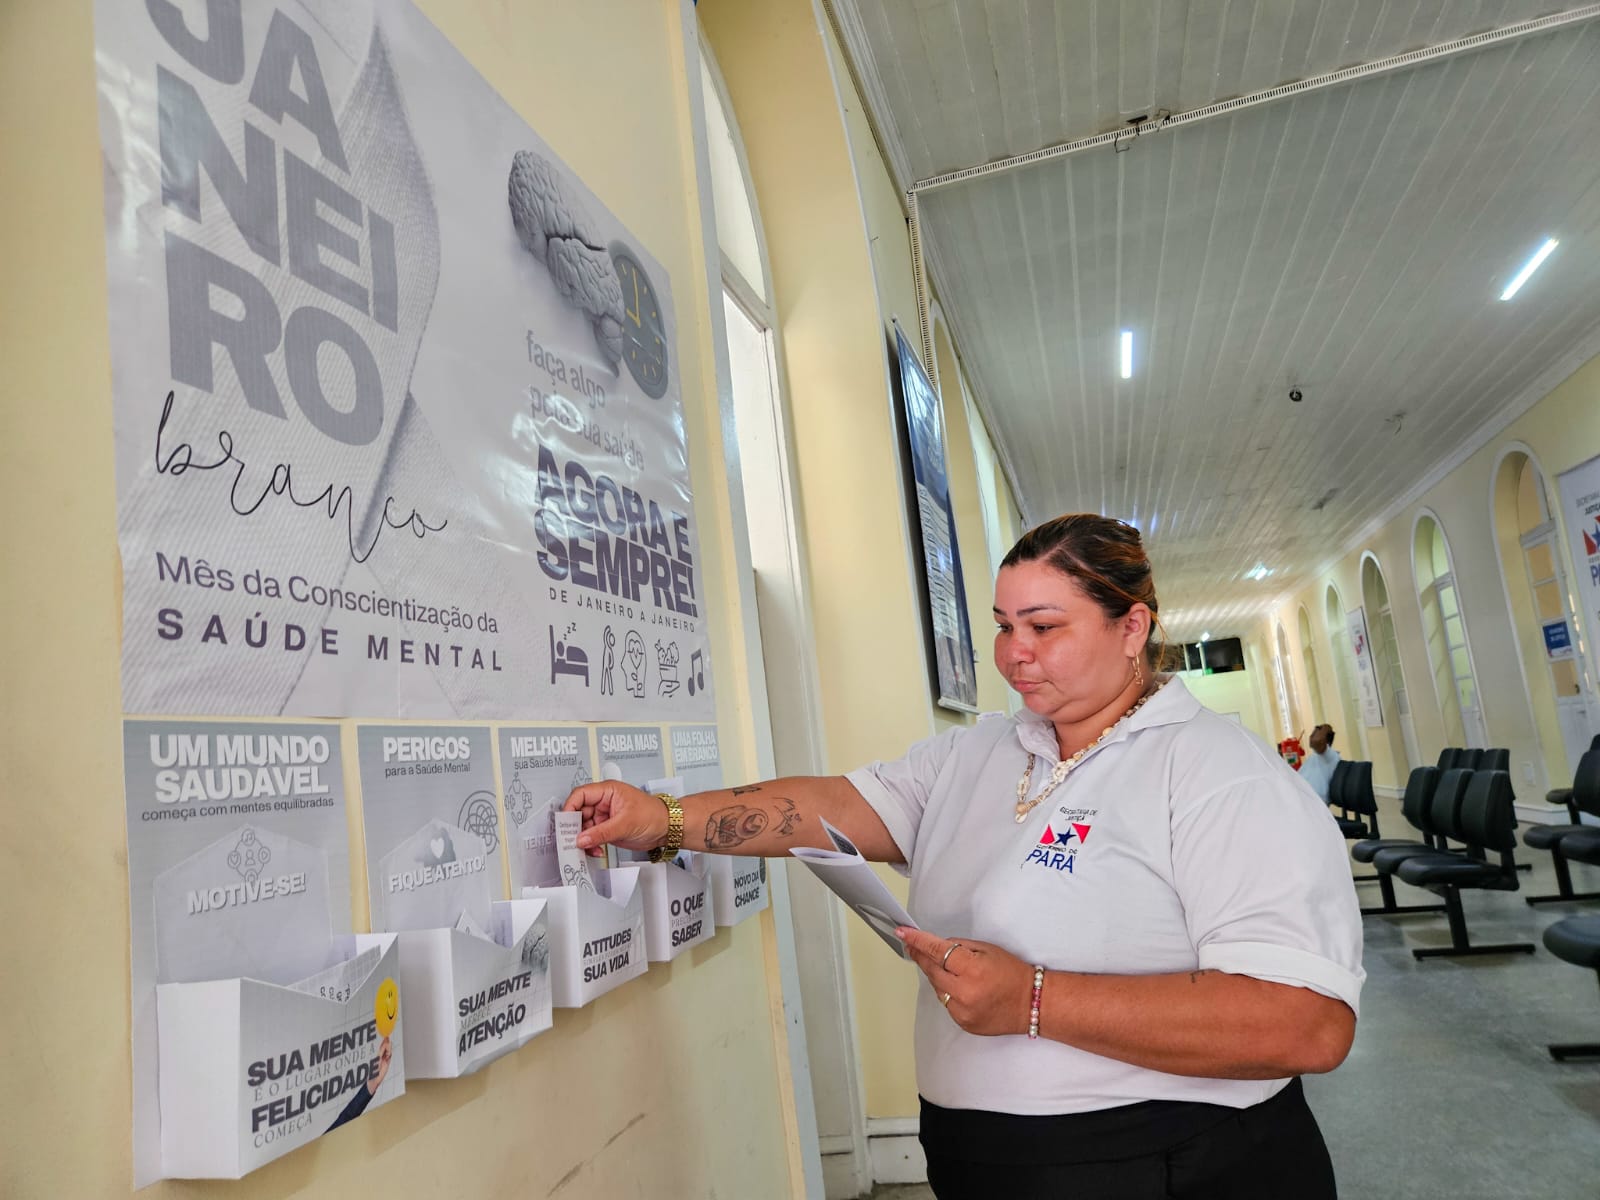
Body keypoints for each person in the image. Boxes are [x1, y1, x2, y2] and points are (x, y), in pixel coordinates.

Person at [564, 514, 1363, 1199]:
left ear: (1132, 628)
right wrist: (662, 818)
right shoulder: (983, 751)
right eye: (1003, 625)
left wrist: (1036, 1001)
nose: (1014, 652)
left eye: (1045, 627)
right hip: (986, 1159)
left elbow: (1306, 1024)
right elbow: (835, 808)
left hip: (1166, 1165)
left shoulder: (1216, 772)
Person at [1299, 724, 1342, 803]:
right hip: (1300, 797)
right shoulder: (1313, 757)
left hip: (1313, 802)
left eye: (1317, 731)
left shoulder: (1330, 756)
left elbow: (1317, 741)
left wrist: (1321, 728)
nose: (1312, 735)